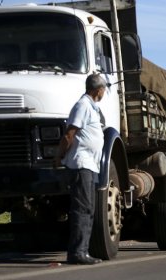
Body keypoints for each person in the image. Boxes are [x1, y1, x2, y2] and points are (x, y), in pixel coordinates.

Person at [55, 73, 106, 265]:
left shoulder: (92, 107)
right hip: (81, 164)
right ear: (97, 90)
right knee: (83, 208)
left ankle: (82, 250)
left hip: (89, 165)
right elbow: (69, 134)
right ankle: (77, 252)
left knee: (88, 208)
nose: (104, 92)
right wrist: (59, 156)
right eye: (103, 89)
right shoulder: (83, 105)